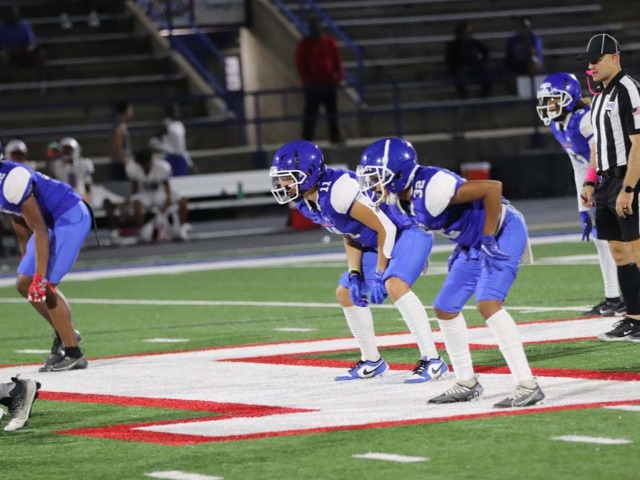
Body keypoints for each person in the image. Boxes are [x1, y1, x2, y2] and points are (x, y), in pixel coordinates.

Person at [357, 138, 544, 408]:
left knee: (488, 303)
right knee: (445, 306)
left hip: (502, 230)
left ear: (398, 174)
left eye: (377, 178)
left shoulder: (432, 186)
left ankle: (527, 384)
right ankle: (467, 382)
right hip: (472, 241)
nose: (373, 185)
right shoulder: (398, 199)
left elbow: (492, 189)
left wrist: (487, 236)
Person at [270, 140, 448, 383]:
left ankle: (432, 359)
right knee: (345, 292)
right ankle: (372, 360)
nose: (282, 184)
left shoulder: (338, 191)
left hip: (407, 229)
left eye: (287, 178)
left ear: (308, 174)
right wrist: (354, 273)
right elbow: (349, 232)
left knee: (394, 284)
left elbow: (386, 226)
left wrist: (380, 272)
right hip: (378, 240)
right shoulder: (305, 202)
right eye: (281, 178)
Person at [536, 72, 624, 316]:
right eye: (546, 100)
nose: (549, 105)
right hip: (600, 184)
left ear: (569, 96)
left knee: (626, 241)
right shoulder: (558, 125)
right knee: (602, 239)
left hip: (618, 179)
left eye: (554, 99)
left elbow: (597, 154)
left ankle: (626, 298)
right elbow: (578, 166)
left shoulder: (585, 119)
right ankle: (613, 297)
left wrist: (592, 186)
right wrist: (583, 209)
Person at [0, 144, 89, 372]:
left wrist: (39, 275)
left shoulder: (11, 179)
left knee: (44, 284)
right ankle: (65, 332)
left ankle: (73, 353)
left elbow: (38, 228)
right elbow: (18, 218)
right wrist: (27, 261)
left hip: (69, 215)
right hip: (48, 223)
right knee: (24, 282)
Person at [578, 33, 640, 342]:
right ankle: (634, 317)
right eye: (588, 62)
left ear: (614, 58)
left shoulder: (629, 89)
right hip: (606, 181)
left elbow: (639, 143)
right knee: (619, 252)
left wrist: (629, 188)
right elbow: (597, 145)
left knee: (637, 250)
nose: (591, 67)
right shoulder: (600, 96)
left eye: (596, 60)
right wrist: (590, 180)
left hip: (627, 179)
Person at [295, 18, 344, 144]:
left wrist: (339, 76)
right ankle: (307, 138)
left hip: (328, 84)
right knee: (311, 113)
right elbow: (300, 64)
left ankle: (335, 136)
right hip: (313, 86)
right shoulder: (304, 45)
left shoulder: (329, 42)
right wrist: (307, 80)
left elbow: (337, 60)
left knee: (332, 112)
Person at [127, 149, 190, 242]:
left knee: (183, 200)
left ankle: (182, 228)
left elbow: (168, 191)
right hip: (145, 195)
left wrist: (162, 213)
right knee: (136, 201)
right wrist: (131, 203)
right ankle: (141, 230)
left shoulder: (162, 167)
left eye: (145, 164)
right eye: (141, 165)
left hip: (161, 193)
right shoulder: (133, 169)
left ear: (150, 161)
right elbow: (135, 190)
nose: (143, 167)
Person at [445, 22, 491, 99]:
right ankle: (465, 99)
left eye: (469, 33)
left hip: (475, 68)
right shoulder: (452, 45)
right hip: (460, 70)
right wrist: (459, 67)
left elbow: (486, 52)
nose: (466, 35)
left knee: (486, 76)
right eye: (464, 33)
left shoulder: (474, 43)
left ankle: (484, 98)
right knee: (459, 79)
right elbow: (449, 60)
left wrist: (481, 63)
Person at [148, 103, 196, 177]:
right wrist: (170, 150)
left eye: (177, 110)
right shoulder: (166, 125)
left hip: (181, 159)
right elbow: (153, 142)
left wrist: (190, 163)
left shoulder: (180, 124)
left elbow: (182, 147)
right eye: (173, 110)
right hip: (170, 159)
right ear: (168, 112)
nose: (176, 112)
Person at [0, 5, 44, 81]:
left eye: (14, 14)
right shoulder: (2, 27)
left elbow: (31, 42)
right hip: (8, 53)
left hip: (23, 53)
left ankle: (41, 80)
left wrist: (26, 49)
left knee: (39, 53)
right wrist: (7, 49)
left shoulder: (24, 25)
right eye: (10, 14)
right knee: (2, 55)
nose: (12, 16)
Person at [112, 100, 134, 181]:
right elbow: (118, 147)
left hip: (123, 162)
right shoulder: (120, 127)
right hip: (121, 163)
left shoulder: (121, 125)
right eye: (130, 110)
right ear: (126, 111)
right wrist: (125, 162)